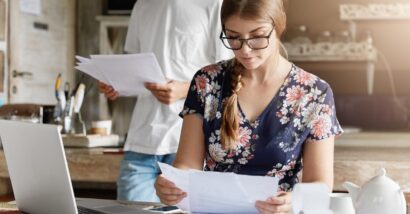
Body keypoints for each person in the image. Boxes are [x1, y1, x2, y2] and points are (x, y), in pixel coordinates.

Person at [154, 0, 343, 213]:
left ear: (278, 26)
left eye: (257, 36)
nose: (245, 49)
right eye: (233, 37)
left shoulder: (315, 92)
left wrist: (294, 200)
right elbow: (187, 165)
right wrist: (171, 186)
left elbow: (320, 185)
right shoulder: (207, 82)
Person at [99, 0, 231, 202]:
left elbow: (230, 77)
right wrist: (118, 83)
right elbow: (136, 69)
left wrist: (186, 90)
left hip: (191, 145)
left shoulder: (215, 4)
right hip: (141, 143)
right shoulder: (142, 5)